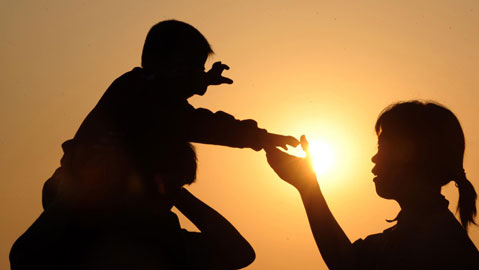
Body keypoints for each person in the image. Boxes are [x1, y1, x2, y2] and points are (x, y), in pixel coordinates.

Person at [265, 101, 479, 270]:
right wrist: (307, 186)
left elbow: (344, 261)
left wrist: (308, 188)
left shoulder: (442, 250)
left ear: (410, 156)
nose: (374, 159)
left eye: (383, 147)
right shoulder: (411, 238)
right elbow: (344, 261)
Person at [10, 141, 256, 270]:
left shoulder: (158, 238)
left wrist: (177, 194)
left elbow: (240, 253)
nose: (167, 200)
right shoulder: (69, 234)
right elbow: (23, 266)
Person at [41, 19, 298, 209]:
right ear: (156, 61)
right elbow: (201, 124)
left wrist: (202, 82)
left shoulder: (159, 97)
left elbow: (180, 100)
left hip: (106, 193)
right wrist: (261, 137)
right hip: (78, 189)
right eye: (189, 67)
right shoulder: (136, 88)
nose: (196, 75)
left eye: (199, 69)